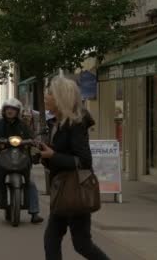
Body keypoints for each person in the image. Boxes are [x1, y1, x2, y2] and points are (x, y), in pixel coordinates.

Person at [40, 76, 109, 260]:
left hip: (75, 190)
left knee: (81, 244)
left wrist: (53, 155)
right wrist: (44, 156)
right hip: (63, 190)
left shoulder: (76, 124)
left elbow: (84, 161)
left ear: (61, 97)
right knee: (53, 239)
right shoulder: (58, 123)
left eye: (50, 93)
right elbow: (58, 156)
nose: (45, 97)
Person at [0, 98, 44, 224]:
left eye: (13, 109)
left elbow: (32, 137)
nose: (10, 111)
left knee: (31, 182)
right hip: (2, 155)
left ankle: (35, 213)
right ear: (4, 110)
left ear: (18, 111)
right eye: (8, 109)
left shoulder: (23, 125)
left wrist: (35, 141)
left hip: (21, 155)